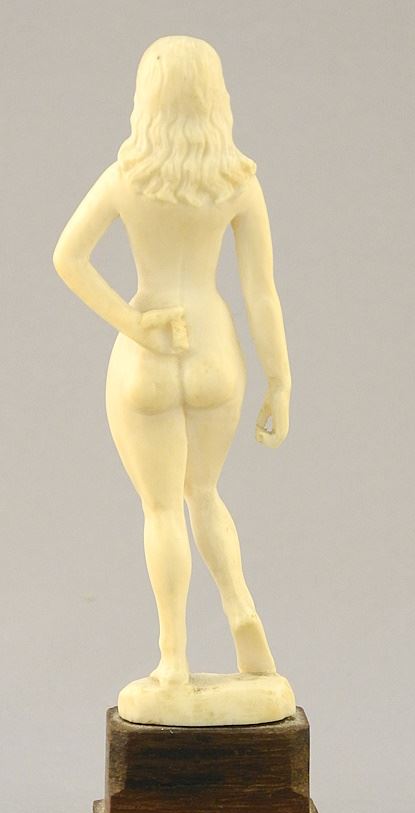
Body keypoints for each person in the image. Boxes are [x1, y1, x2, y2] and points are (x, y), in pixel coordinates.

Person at [53, 35, 291, 687]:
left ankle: (174, 658)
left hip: (148, 354)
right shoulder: (237, 183)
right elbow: (261, 292)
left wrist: (132, 323)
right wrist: (279, 380)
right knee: (204, 493)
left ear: (145, 99)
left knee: (161, 510)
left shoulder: (127, 178)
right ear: (217, 99)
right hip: (213, 350)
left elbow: (67, 257)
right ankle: (240, 608)